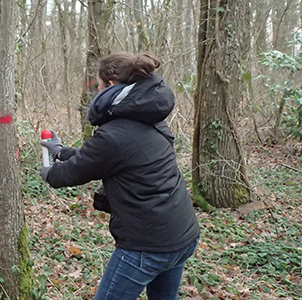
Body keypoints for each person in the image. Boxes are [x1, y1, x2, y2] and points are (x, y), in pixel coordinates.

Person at [39, 52, 200, 300]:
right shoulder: (150, 119)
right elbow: (101, 158)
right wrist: (62, 153)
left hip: (147, 245)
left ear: (110, 86)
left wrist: (50, 173)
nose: (95, 92)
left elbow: (74, 172)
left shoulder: (115, 134)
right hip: (182, 235)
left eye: (98, 86)